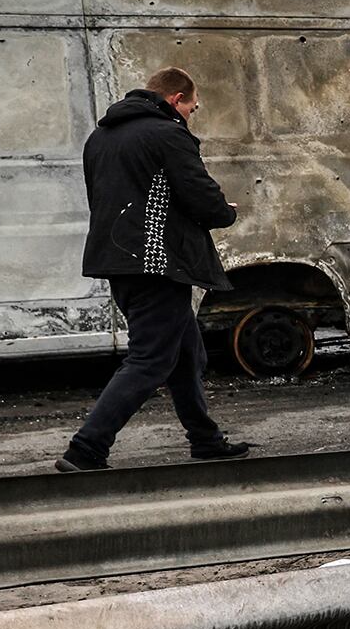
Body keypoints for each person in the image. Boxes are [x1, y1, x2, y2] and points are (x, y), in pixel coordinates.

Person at [59, 68, 255, 471]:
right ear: (175, 100)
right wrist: (224, 213)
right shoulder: (168, 133)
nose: (192, 113)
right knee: (150, 359)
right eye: (192, 107)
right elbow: (199, 193)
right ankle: (86, 449)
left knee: (185, 355)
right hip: (157, 265)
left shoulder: (100, 138)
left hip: (120, 263)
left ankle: (206, 441)